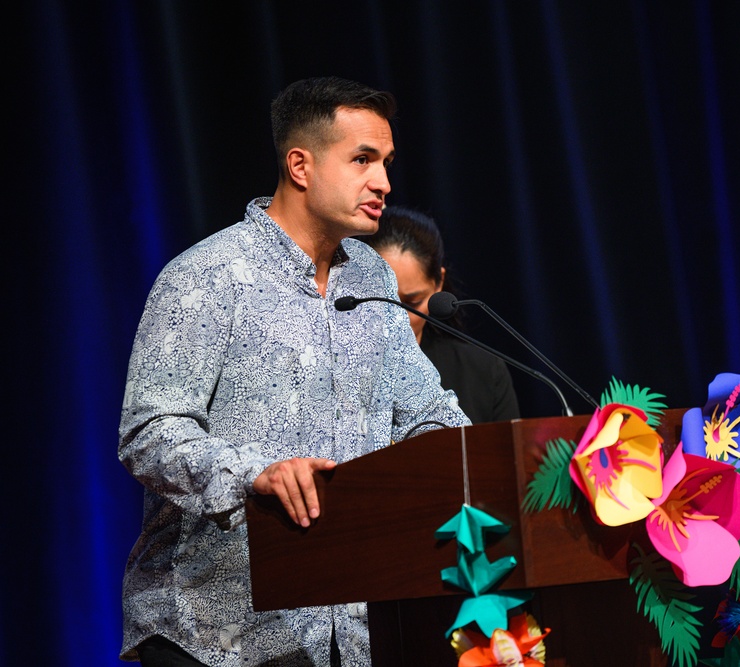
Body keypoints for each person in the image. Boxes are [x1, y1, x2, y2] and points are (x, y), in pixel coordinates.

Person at [118, 76, 470, 667]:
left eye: (385, 163)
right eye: (362, 159)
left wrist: (469, 461)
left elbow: (425, 413)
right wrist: (256, 473)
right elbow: (149, 433)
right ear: (300, 165)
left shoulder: (372, 278)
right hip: (213, 636)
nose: (383, 182)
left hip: (350, 633)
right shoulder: (208, 275)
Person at [358, 206, 520, 424]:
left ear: (438, 284)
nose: (396, 317)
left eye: (411, 303)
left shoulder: (483, 372)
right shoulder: (331, 365)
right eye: (383, 300)